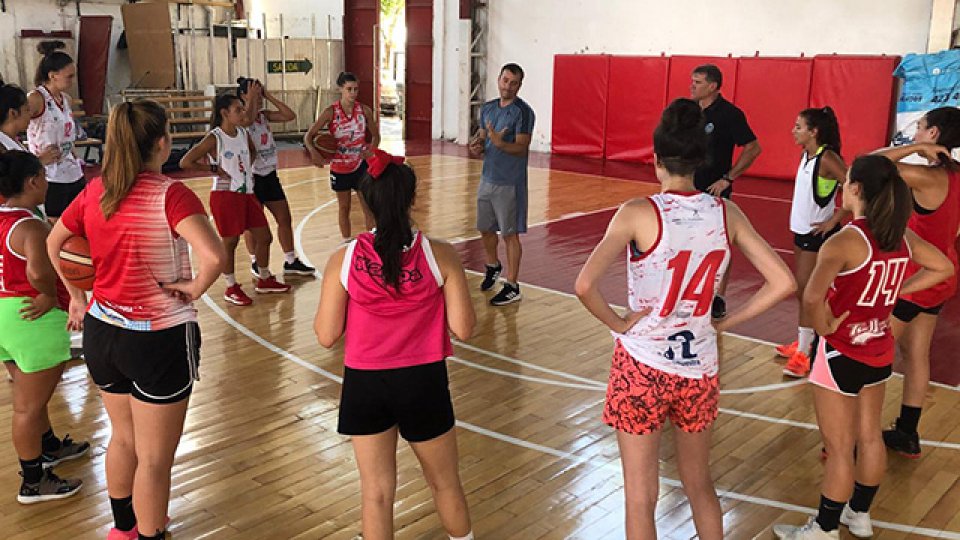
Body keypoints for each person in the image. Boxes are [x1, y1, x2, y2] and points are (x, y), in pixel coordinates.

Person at [575, 98, 795, 540]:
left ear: (655, 159)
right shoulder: (726, 212)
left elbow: (584, 286)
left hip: (642, 364)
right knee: (700, 486)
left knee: (641, 496)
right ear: (701, 159)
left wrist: (619, 325)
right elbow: (784, 282)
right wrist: (725, 325)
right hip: (700, 367)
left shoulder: (638, 212)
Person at [47, 100, 226, 540]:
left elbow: (56, 245)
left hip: (103, 333)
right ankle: (151, 535)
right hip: (158, 340)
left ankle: (123, 529)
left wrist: (75, 297)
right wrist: (194, 288)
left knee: (123, 439)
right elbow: (216, 256)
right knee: (155, 459)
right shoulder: (172, 194)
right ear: (163, 142)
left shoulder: (95, 191)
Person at [773, 155, 953, 540]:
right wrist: (895, 291)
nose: (842, 185)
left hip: (841, 353)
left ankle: (822, 529)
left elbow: (811, 298)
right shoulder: (901, 236)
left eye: (847, 181)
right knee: (870, 437)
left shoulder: (844, 242)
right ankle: (860, 515)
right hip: (878, 350)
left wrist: (825, 324)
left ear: (856, 190)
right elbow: (944, 267)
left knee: (839, 449)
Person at [315, 149, 475, 540]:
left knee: (377, 495)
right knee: (445, 484)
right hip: (423, 382)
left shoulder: (344, 259)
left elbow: (325, 335)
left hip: (365, 384)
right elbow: (464, 329)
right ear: (411, 200)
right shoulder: (441, 255)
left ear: (364, 203)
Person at [871, 106, 960, 458]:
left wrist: (910, 149)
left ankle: (857, 435)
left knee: (871, 355)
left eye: (921, 127)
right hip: (942, 275)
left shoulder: (927, 177)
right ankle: (907, 431)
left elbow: (871, 165)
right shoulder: (956, 176)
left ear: (934, 134)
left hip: (916, 277)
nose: (916, 132)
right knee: (916, 353)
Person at [0, 150, 88, 504]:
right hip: (30, 319)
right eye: (44, 176)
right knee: (27, 407)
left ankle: (49, 445)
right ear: (34, 181)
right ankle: (34, 482)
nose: (47, 183)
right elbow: (38, 271)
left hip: (5, 317)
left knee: (31, 395)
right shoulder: (30, 226)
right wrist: (49, 295)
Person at [180, 93, 291, 306]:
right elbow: (186, 161)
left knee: (264, 236)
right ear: (224, 113)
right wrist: (212, 168)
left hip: (247, 192)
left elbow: (252, 151)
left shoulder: (242, 132)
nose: (243, 113)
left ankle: (264, 278)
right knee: (230, 242)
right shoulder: (215, 137)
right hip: (225, 195)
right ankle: (231, 286)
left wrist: (244, 171)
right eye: (238, 110)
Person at [777, 107, 849, 377]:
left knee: (808, 293)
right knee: (803, 291)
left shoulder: (828, 158)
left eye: (798, 126)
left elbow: (855, 186)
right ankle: (804, 340)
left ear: (813, 131)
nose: (793, 130)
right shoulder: (807, 155)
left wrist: (835, 218)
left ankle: (806, 353)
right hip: (802, 232)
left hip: (818, 236)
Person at [689, 64, 762, 318]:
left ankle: (718, 295)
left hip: (714, 189)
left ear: (712, 86)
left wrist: (728, 179)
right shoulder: (689, 112)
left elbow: (753, 147)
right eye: (692, 81)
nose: (692, 86)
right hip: (688, 188)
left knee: (719, 242)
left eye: (697, 82)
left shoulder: (730, 114)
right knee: (688, 241)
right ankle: (689, 291)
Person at [468, 63, 535, 306]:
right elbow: (482, 140)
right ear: (498, 79)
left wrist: (500, 143)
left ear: (519, 85)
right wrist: (476, 146)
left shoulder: (523, 112)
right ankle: (492, 266)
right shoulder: (487, 109)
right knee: (485, 228)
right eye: (505, 80)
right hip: (488, 179)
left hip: (510, 183)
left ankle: (513, 285)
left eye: (513, 82)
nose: (507, 86)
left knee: (509, 234)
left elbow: (521, 147)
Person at [237, 77, 316, 277]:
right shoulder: (240, 118)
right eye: (254, 92)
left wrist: (267, 95)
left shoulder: (263, 116)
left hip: (269, 174)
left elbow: (290, 115)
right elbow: (247, 118)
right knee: (252, 225)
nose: (259, 96)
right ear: (243, 96)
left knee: (284, 218)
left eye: (260, 92)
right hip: (252, 177)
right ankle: (255, 261)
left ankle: (290, 261)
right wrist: (252, 100)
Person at [304, 71, 380, 242]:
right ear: (340, 89)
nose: (353, 93)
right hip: (339, 167)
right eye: (349, 89)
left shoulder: (364, 111)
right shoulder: (330, 112)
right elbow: (308, 136)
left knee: (368, 206)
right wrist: (313, 152)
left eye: (356, 89)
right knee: (344, 207)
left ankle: (374, 241)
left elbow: (376, 136)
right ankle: (346, 242)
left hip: (360, 165)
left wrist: (371, 150)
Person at [26, 41, 85, 221]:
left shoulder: (65, 98)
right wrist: (36, 159)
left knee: (78, 219)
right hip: (49, 174)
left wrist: (73, 152)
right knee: (55, 223)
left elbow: (66, 132)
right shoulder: (36, 99)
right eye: (69, 76)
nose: (72, 81)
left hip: (71, 170)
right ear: (53, 76)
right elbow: (12, 125)